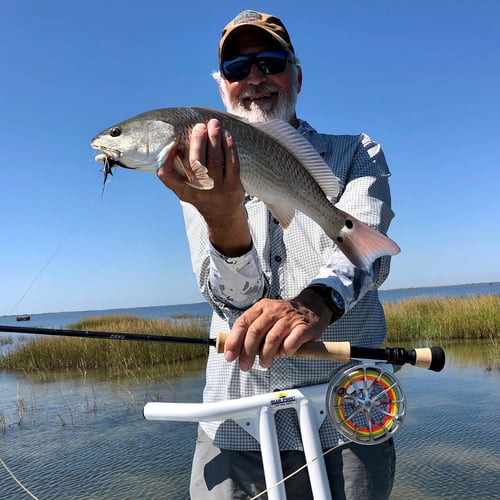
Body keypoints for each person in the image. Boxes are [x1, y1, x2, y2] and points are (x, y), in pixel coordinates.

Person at [158, 10, 396, 500]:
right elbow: (227, 299)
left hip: (343, 420)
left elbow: (367, 257)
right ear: (222, 85)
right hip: (235, 424)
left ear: (297, 74)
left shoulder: (358, 152)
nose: (254, 79)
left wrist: (314, 304)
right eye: (236, 69)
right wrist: (224, 221)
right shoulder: (195, 162)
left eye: (270, 63)